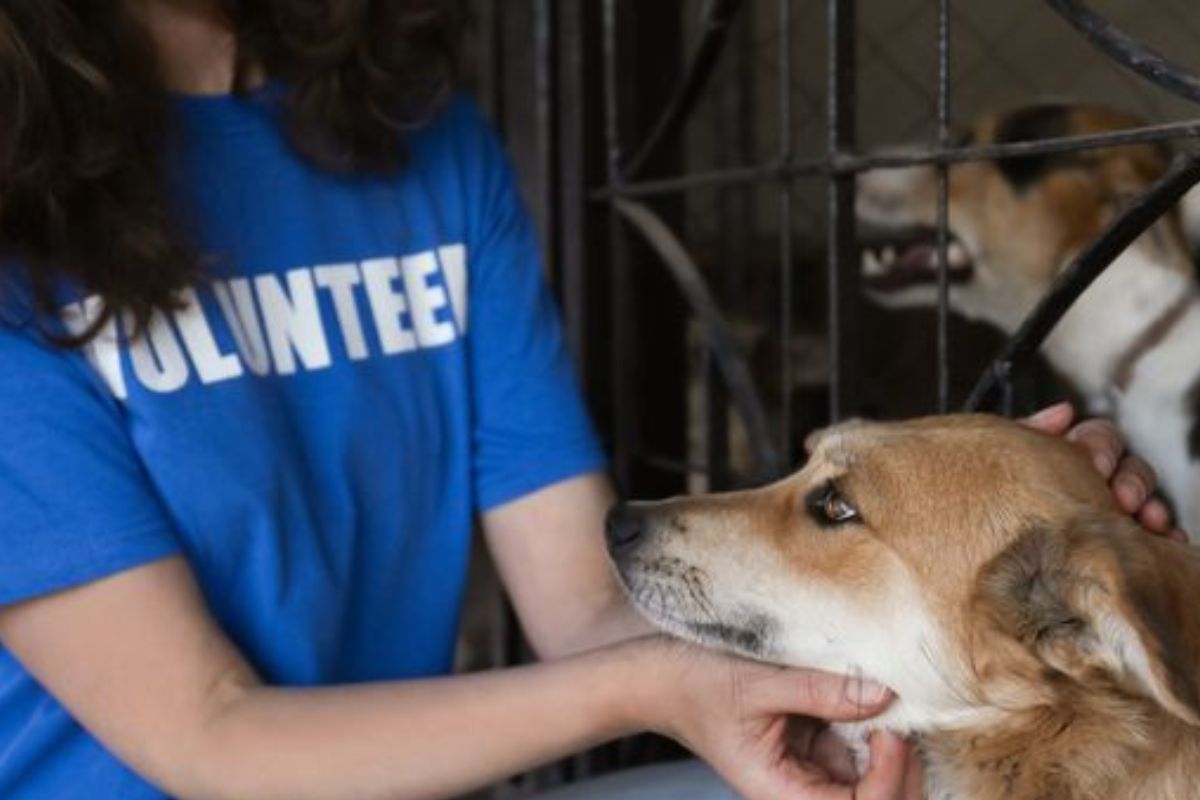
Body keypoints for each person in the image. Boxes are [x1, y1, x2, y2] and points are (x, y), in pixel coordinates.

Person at [0, 2, 1176, 799]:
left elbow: (584, 600)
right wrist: (654, 687)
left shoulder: (420, 142)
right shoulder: (18, 223)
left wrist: (1024, 528)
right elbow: (208, 732)